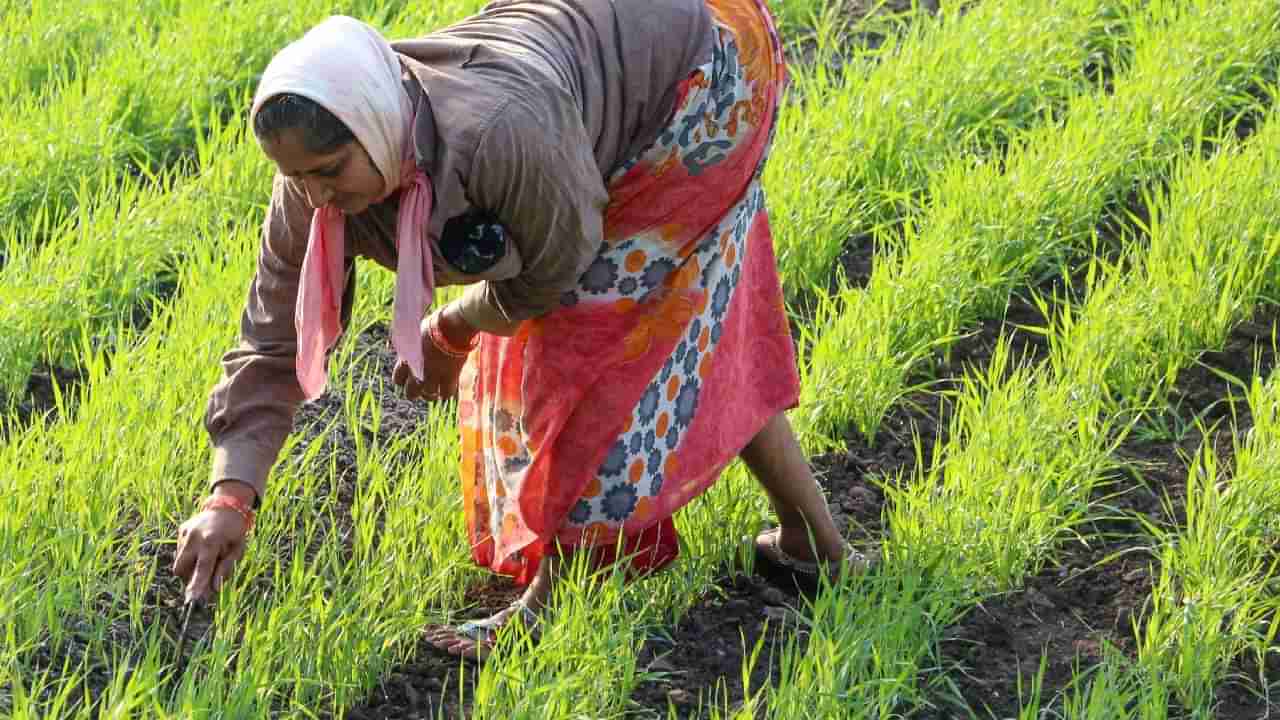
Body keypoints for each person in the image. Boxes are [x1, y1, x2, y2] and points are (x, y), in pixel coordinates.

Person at [172, 0, 872, 662]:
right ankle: (814, 546)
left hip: (704, 75)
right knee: (689, 325)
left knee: (585, 346)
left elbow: (559, 270)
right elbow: (272, 339)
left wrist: (453, 326)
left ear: (377, 120)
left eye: (331, 171)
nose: (319, 196)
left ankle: (553, 599)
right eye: (299, 178)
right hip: (606, 64)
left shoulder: (498, 133)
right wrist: (230, 494)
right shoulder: (314, 188)